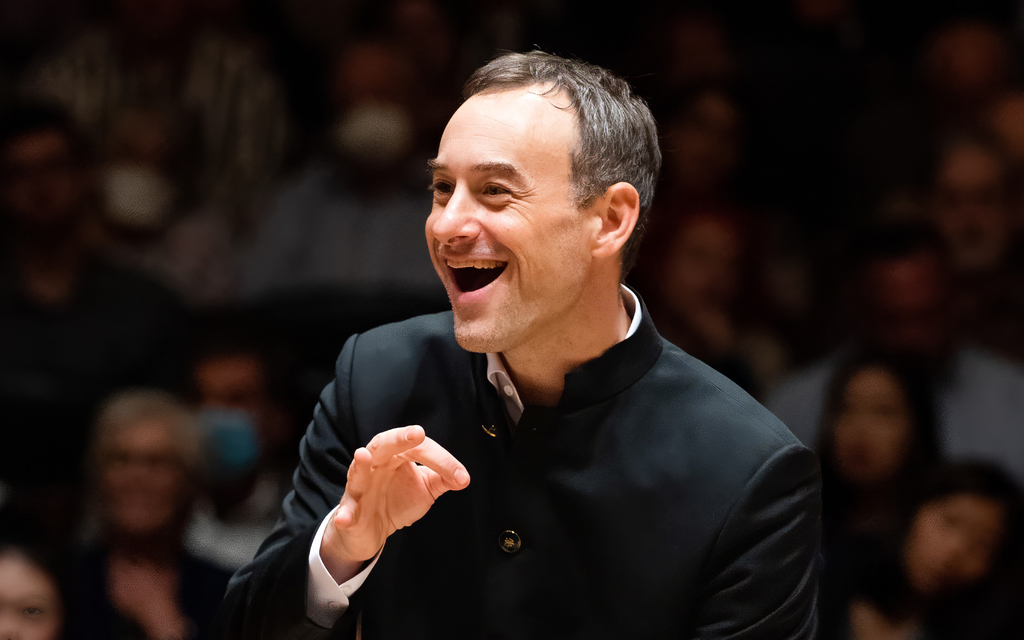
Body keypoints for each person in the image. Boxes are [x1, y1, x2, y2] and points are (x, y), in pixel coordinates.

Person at [215, 51, 820, 639]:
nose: (447, 224)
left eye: (495, 191)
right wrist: (341, 549)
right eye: (442, 187)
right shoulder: (374, 377)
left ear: (611, 220)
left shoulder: (749, 470)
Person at [767, 224, 1024, 487]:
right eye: (892, 319)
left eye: (926, 316)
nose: (912, 337)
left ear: (955, 302)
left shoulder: (1014, 399)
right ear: (858, 310)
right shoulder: (796, 406)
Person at [68, 390, 230, 640]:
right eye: (121, 460)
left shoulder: (228, 596)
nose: (136, 478)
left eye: (157, 462)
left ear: (191, 481)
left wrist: (167, 628)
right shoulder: (58, 581)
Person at [818, 462, 1024, 640]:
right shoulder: (831, 574)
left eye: (982, 544)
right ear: (917, 511)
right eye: (950, 522)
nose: (955, 549)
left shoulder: (984, 629)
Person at [815, 354, 940, 543]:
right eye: (846, 409)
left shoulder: (936, 535)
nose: (860, 431)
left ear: (917, 426)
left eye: (883, 412)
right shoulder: (800, 526)